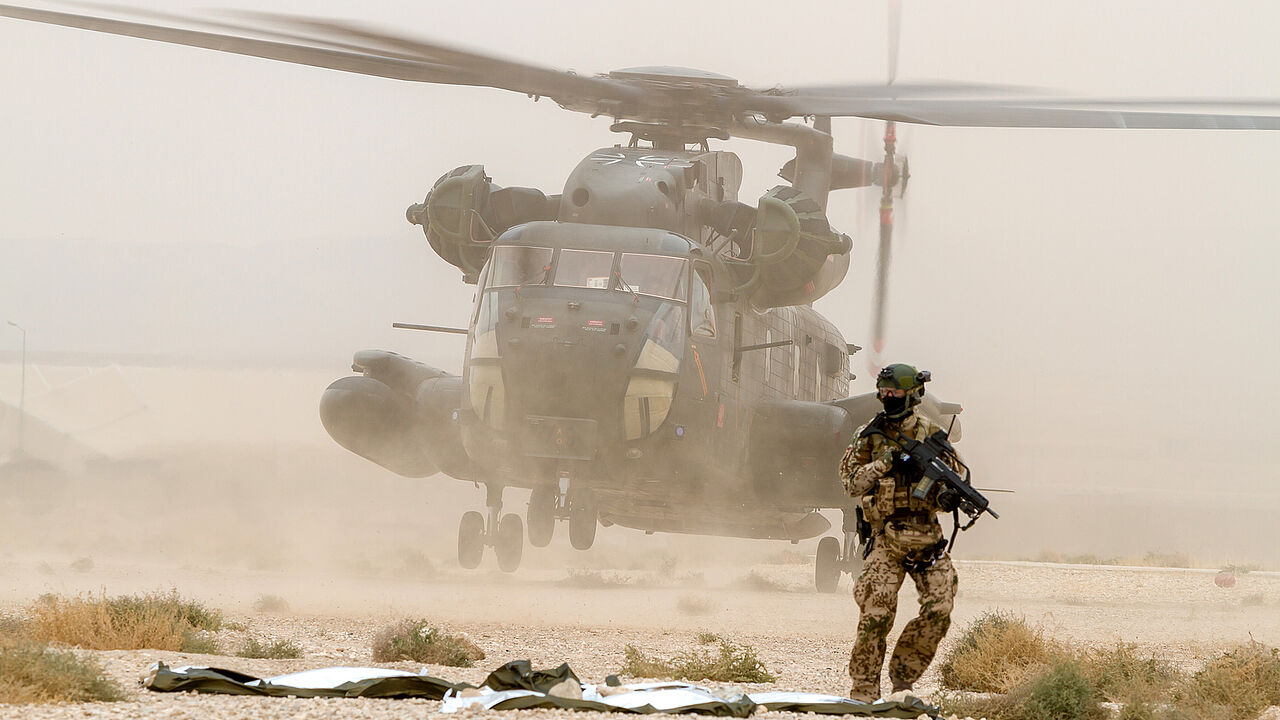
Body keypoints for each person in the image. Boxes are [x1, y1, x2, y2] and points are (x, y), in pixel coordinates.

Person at [838, 363, 962, 702]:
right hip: (886, 538)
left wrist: (945, 495)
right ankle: (863, 692)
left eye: (895, 393)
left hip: (926, 539)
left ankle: (902, 680)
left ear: (913, 395)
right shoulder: (869, 435)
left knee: (940, 609)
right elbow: (850, 483)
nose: (887, 398)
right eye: (884, 392)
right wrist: (886, 462)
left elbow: (953, 479)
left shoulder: (932, 434)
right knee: (875, 611)